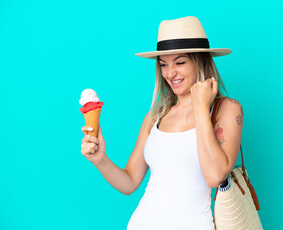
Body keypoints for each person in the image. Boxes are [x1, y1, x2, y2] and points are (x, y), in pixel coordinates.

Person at [80, 16, 243, 230]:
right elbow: (129, 183)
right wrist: (100, 159)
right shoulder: (155, 117)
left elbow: (215, 176)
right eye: (164, 64)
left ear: (200, 61)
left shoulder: (226, 109)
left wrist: (201, 106)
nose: (170, 73)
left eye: (180, 62)